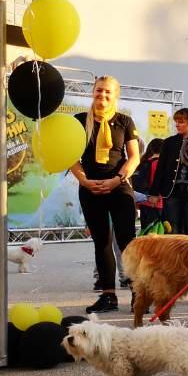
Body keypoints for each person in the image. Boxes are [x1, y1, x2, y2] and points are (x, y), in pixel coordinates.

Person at [70, 76, 141, 314]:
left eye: (108, 92)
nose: (102, 96)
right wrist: (85, 181)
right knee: (101, 242)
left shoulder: (125, 121)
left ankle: (137, 294)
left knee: (127, 242)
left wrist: (116, 180)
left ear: (115, 96)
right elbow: (71, 158)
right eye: (99, 91)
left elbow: (134, 158)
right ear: (93, 92)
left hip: (119, 186)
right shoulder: (79, 121)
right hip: (90, 188)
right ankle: (108, 296)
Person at [162, 107, 188, 236]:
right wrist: (154, 193)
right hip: (173, 190)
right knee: (172, 227)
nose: (177, 125)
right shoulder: (169, 142)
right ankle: (173, 255)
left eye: (181, 122)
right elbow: (162, 167)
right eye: (176, 121)